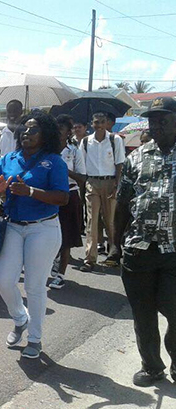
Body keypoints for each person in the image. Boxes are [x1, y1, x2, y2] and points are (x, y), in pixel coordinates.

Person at [0, 110, 69, 360]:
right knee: (4, 280)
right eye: (25, 129)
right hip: (13, 226)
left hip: (43, 228)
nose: (27, 133)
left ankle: (35, 339)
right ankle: (20, 318)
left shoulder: (54, 161)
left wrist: (30, 191)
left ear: (46, 135)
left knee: (34, 285)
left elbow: (62, 197)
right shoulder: (9, 158)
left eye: (34, 130)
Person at [112, 97, 176, 387]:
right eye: (153, 120)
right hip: (139, 248)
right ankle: (152, 367)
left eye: (163, 119)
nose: (156, 125)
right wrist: (115, 243)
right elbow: (123, 202)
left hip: (174, 250)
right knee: (143, 313)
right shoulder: (137, 157)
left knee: (173, 308)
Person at [78, 112, 126, 271]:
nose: (98, 125)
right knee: (92, 222)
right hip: (92, 182)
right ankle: (90, 259)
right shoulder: (86, 142)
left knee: (110, 221)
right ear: (92, 124)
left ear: (107, 124)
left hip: (110, 182)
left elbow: (119, 163)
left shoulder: (115, 140)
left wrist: (116, 185)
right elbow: (81, 164)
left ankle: (114, 253)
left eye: (102, 122)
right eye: (96, 122)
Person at [49, 115, 86, 289]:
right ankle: (51, 263)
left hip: (69, 196)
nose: (57, 133)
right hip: (50, 197)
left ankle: (61, 273)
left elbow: (82, 178)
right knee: (49, 235)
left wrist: (65, 170)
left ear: (68, 132)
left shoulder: (74, 151)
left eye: (61, 130)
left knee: (66, 236)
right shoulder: (48, 151)